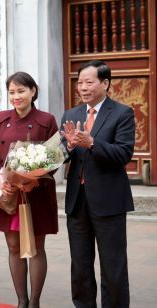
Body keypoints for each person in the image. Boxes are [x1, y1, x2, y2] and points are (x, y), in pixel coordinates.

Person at [61, 60, 135, 308]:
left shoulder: (122, 113)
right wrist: (69, 146)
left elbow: (123, 154)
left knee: (112, 264)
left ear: (105, 83)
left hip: (108, 200)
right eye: (80, 82)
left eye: (89, 82)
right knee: (80, 264)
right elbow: (62, 154)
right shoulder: (71, 114)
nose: (83, 87)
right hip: (77, 199)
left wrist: (92, 143)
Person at [0, 71, 59, 308]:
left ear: (33, 91)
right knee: (14, 246)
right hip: (8, 192)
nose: (16, 96)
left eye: (21, 91)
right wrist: (1, 176)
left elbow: (55, 157)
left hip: (36, 193)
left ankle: (35, 301)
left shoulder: (46, 120)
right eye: (12, 92)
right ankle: (21, 300)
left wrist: (34, 178)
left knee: (36, 248)